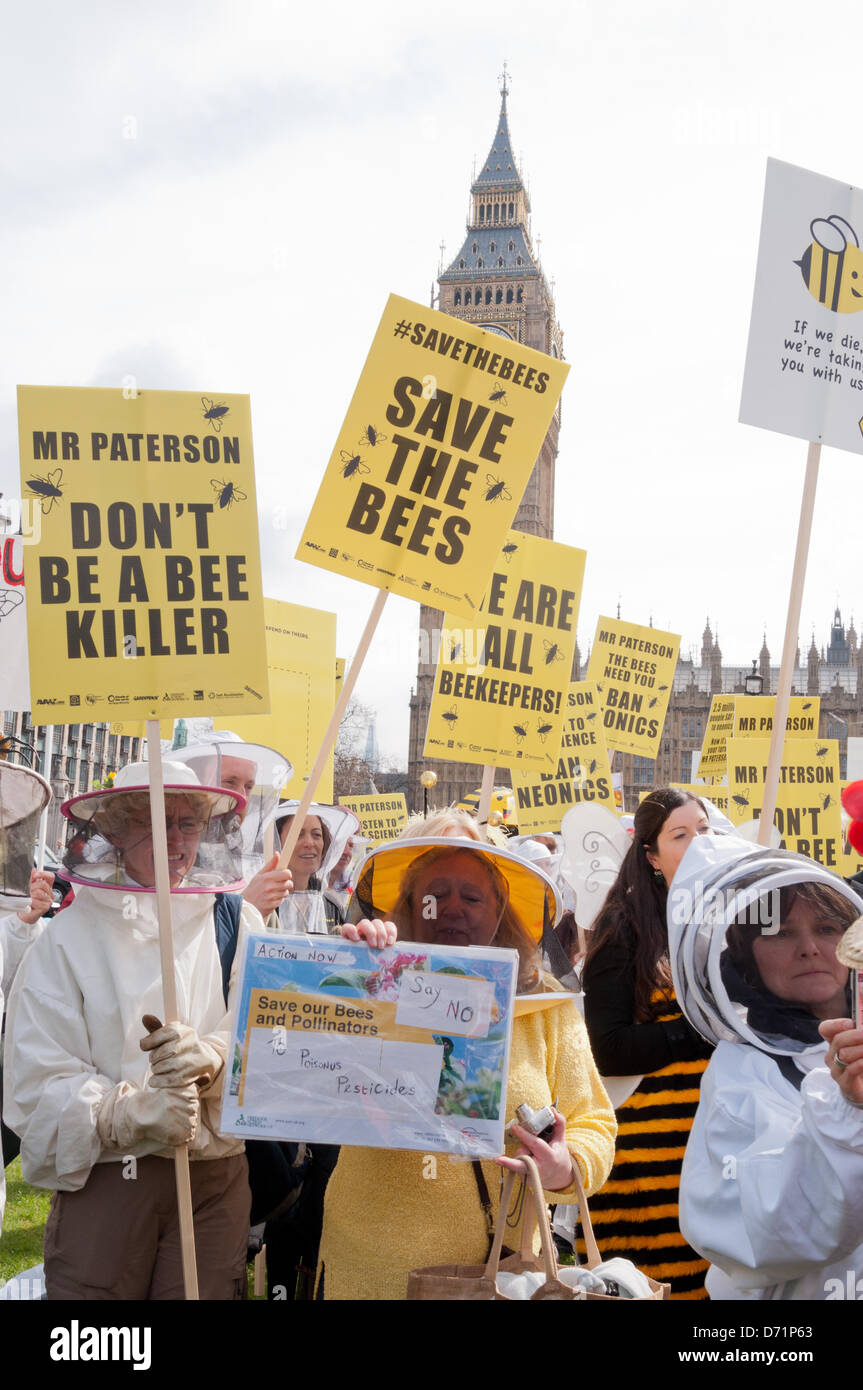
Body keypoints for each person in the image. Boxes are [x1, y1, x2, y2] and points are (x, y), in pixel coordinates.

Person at [4, 760, 263, 1299]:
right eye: (156, 821)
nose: (176, 839)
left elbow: (269, 1038)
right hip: (108, 1180)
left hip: (213, 1184)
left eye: (188, 823)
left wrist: (213, 1060)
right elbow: (32, 1083)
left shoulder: (241, 922)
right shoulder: (68, 937)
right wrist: (127, 1112)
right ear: (115, 830)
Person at [316, 835, 617, 1299]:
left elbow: (594, 1120)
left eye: (472, 897)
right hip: (373, 1270)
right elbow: (310, 1067)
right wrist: (345, 966)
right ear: (412, 907)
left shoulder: (543, 1005)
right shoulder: (372, 981)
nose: (452, 908)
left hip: (505, 1277)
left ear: (500, 912)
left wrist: (564, 1167)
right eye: (435, 896)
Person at [670, 834, 863, 1300]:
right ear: (743, 956)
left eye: (827, 928)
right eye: (779, 932)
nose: (809, 948)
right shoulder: (741, 1070)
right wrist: (847, 1115)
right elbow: (755, 1234)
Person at [580, 788, 715, 1298]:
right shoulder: (625, 926)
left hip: (714, 1145)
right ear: (651, 855)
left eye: (704, 830)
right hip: (648, 1158)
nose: (698, 842)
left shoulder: (733, 921)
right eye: (681, 835)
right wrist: (696, 1030)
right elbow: (608, 1046)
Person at [172, 735, 294, 921]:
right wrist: (246, 909)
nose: (241, 797)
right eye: (229, 782)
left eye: (248, 786)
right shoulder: (161, 863)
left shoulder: (249, 872)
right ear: (192, 785)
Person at [273, 801, 358, 934]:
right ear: (276, 842)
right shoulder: (264, 901)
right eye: (297, 834)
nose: (309, 843)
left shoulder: (331, 906)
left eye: (317, 835)